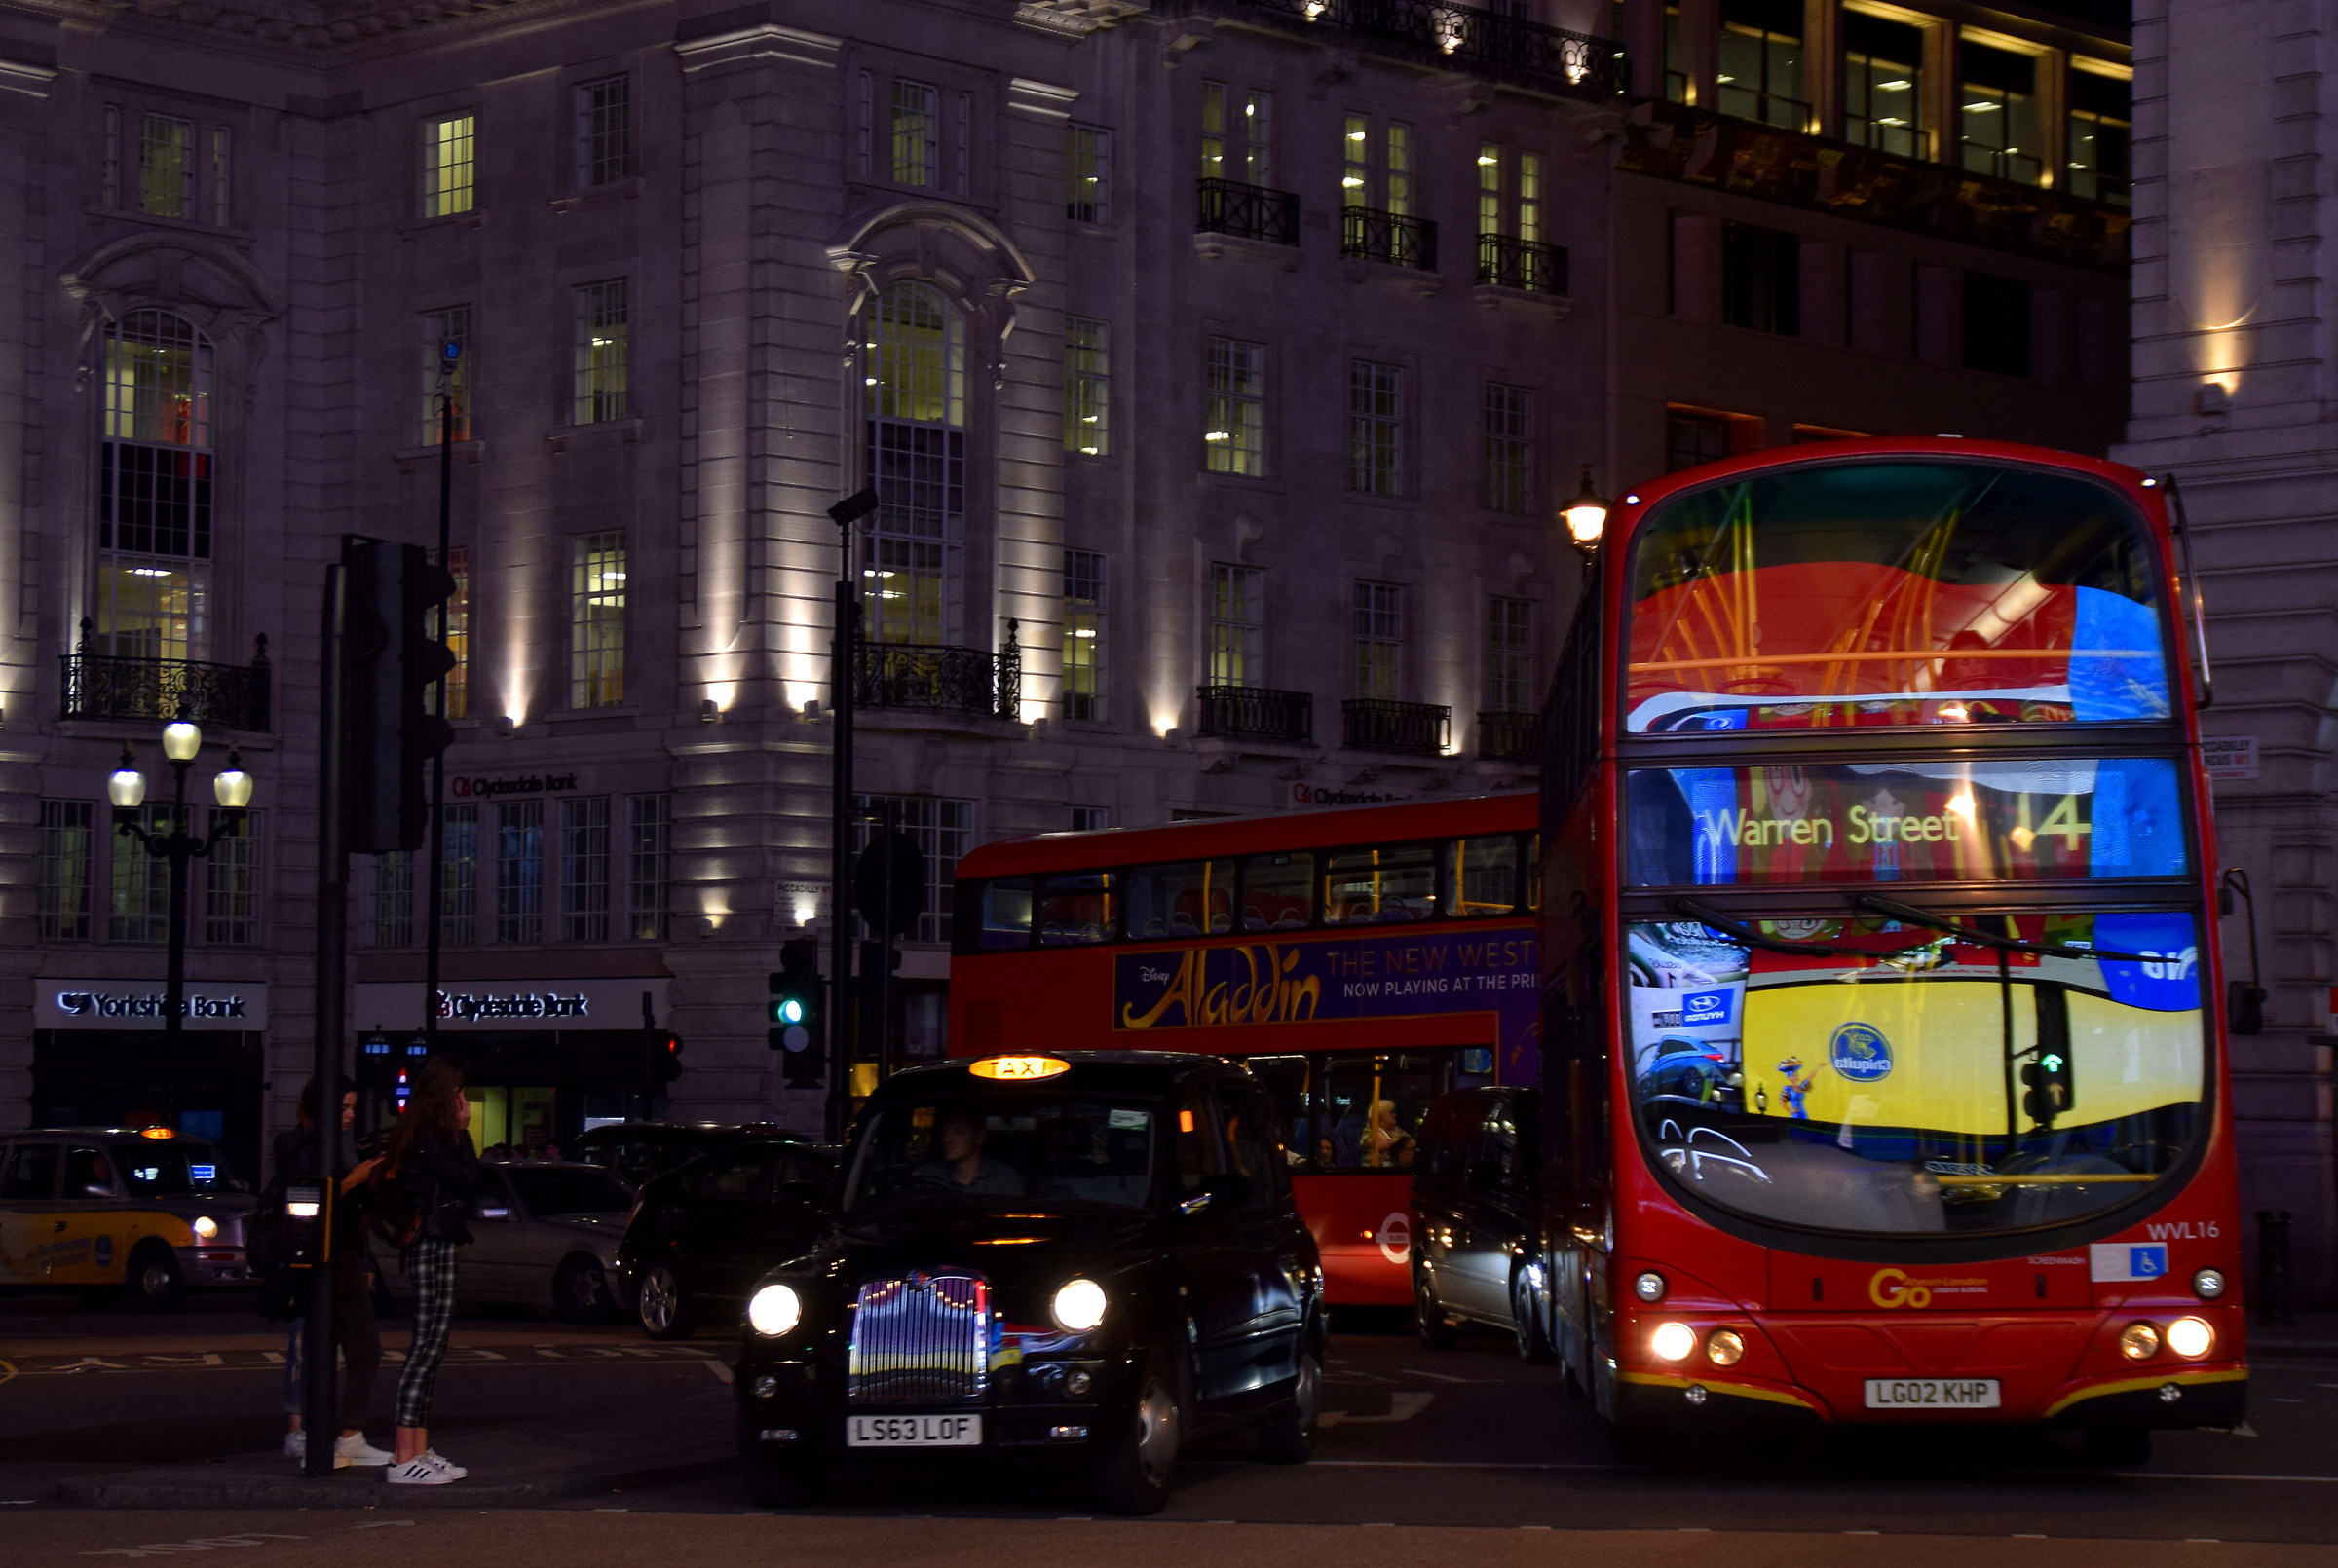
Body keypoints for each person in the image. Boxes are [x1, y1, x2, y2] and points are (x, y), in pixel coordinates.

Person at [274, 1081, 390, 1471]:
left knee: (352, 1348)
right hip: (317, 1258)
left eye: (353, 1107)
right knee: (317, 1346)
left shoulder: (343, 1144)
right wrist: (353, 1181)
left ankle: (339, 1435)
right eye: (343, 1106)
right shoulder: (295, 1144)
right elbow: (305, 1198)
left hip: (343, 1254)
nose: (349, 1114)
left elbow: (355, 1214)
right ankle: (316, 1432)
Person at [381, 1056, 481, 1487]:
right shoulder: (428, 1137)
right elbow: (467, 1180)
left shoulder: (433, 1136)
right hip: (429, 1243)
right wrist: (463, 1129)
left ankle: (419, 1449)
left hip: (443, 1241)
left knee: (433, 1348)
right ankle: (404, 1454)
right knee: (424, 1349)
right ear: (445, 1094)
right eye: (458, 1093)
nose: (464, 1101)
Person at [912, 1107, 1025, 1195]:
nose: (946, 1139)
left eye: (958, 1132)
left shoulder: (1006, 1179)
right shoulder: (926, 1177)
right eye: (945, 1132)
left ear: (979, 1137)